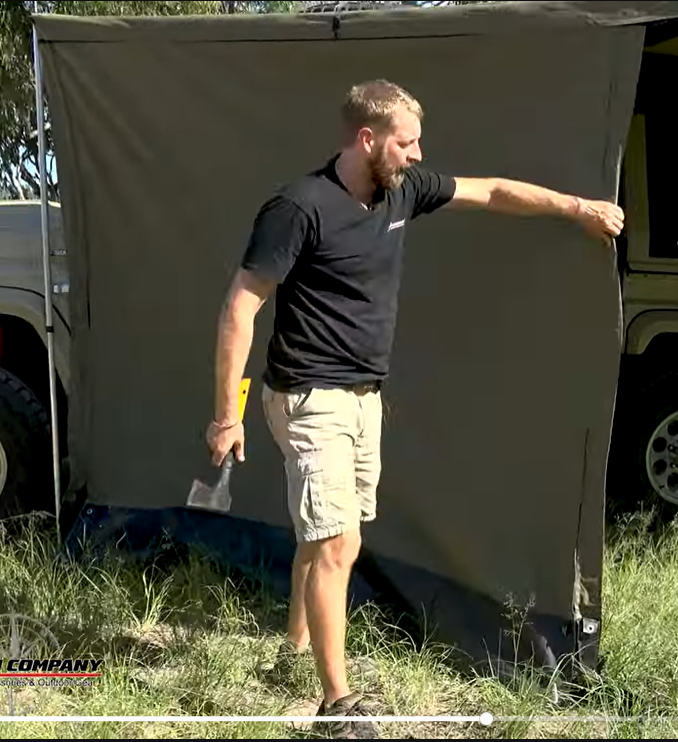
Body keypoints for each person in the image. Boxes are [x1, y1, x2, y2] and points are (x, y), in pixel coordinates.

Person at [205, 79, 624, 738]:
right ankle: (335, 705)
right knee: (336, 542)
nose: (416, 153)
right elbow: (241, 306)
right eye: (405, 142)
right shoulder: (298, 207)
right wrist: (228, 413)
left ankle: (293, 648)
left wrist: (576, 209)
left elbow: (489, 191)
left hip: (363, 398)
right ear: (366, 139)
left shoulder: (402, 190)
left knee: (331, 535)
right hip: (309, 396)